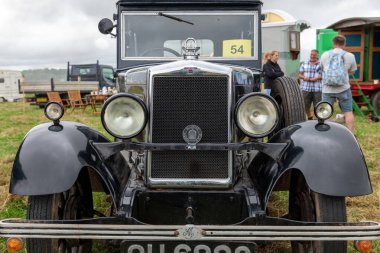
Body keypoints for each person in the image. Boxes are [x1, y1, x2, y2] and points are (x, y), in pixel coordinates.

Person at [320, 35, 357, 133]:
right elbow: (353, 71)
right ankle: (351, 135)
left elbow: (322, 69)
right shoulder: (350, 56)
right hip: (343, 88)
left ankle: (325, 133)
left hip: (327, 89)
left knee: (325, 113)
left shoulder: (325, 55)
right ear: (344, 43)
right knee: (348, 112)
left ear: (333, 43)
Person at [299, 49, 322, 120]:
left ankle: (316, 120)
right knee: (304, 106)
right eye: (311, 54)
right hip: (305, 88)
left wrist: (317, 78)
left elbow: (324, 75)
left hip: (317, 89)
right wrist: (303, 77)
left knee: (318, 106)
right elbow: (299, 74)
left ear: (317, 55)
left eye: (314, 55)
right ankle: (309, 116)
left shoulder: (321, 64)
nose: (312, 56)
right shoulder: (304, 63)